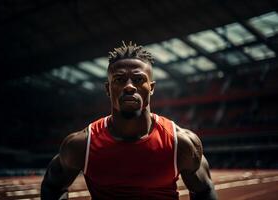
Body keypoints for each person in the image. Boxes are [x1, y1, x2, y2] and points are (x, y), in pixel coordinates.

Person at [41, 41, 217, 200]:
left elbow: (204, 190)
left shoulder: (182, 143)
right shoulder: (81, 145)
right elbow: (52, 186)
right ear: (108, 89)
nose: (129, 86)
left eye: (139, 79)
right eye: (119, 79)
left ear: (152, 88)